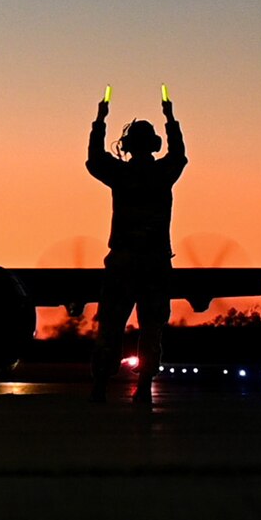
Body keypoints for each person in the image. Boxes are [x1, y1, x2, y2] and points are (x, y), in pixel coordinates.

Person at [86, 93, 187, 403]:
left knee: (111, 325)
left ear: (127, 146)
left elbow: (94, 159)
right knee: (152, 326)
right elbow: (179, 155)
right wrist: (171, 119)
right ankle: (143, 387)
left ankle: (101, 384)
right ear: (154, 145)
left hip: (123, 262)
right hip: (155, 262)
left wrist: (100, 121)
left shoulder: (121, 174)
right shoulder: (163, 173)